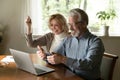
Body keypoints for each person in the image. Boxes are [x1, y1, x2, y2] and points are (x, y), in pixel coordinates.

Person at [37, 8, 105, 80]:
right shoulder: (68, 39)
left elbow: (89, 64)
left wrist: (63, 59)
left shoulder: (95, 41)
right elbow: (55, 55)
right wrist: (45, 56)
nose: (70, 28)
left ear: (84, 24)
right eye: (69, 24)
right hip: (70, 77)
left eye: (73, 24)